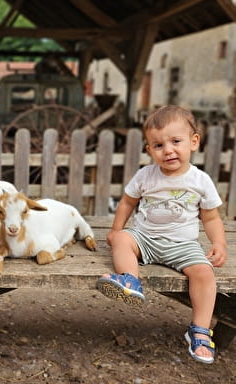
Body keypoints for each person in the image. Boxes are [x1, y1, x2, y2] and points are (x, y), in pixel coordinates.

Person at [96, 105, 227, 364]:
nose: (167, 150)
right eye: (158, 145)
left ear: (193, 142)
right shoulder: (145, 175)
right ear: (149, 151)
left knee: (204, 273)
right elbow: (127, 203)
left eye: (175, 141)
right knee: (122, 240)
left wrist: (219, 242)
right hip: (145, 238)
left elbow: (210, 217)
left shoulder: (200, 181)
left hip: (183, 245)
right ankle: (130, 281)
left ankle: (200, 330)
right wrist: (115, 230)